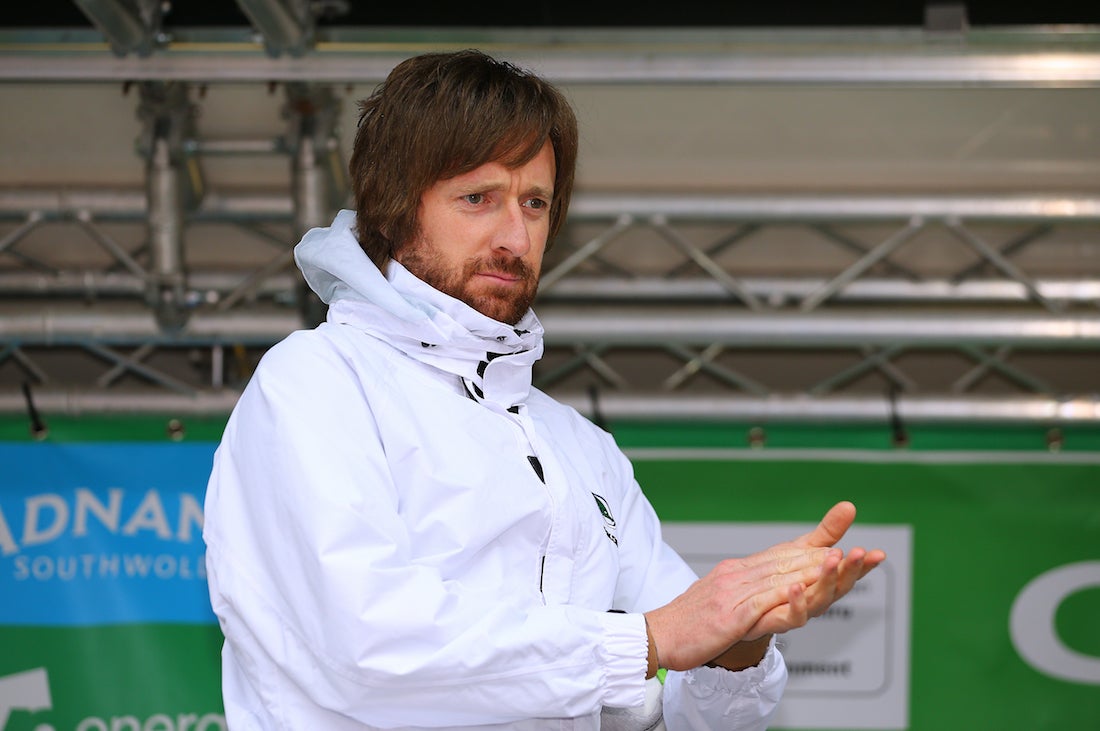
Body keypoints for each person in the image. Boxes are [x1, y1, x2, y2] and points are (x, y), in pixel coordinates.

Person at [203, 49, 885, 731]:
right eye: (478, 198)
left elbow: (692, 713)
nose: (514, 235)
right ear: (394, 208)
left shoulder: (580, 447)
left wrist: (740, 635)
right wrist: (646, 641)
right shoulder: (317, 382)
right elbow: (366, 651)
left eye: (535, 203)